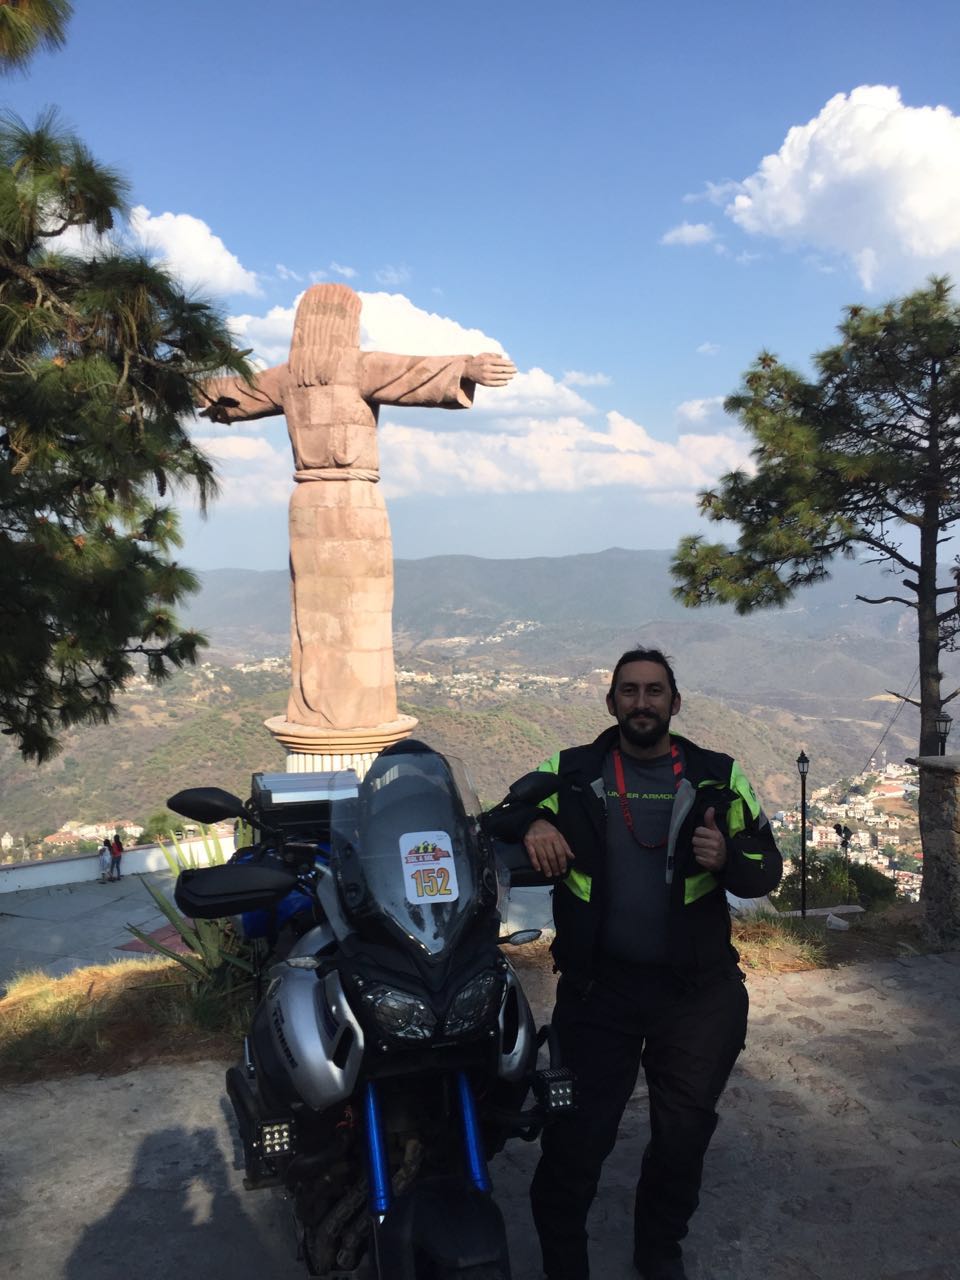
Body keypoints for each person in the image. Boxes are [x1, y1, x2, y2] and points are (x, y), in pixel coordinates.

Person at [487, 647, 782, 1280]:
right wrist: (537, 821)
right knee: (575, 1140)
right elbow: (500, 816)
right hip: (599, 994)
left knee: (683, 1136)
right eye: (629, 691)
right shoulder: (571, 771)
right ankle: (565, 1262)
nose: (641, 702)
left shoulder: (717, 776)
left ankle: (659, 1250)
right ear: (611, 701)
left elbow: (767, 869)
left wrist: (728, 855)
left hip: (697, 995)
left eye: (654, 691)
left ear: (674, 704)